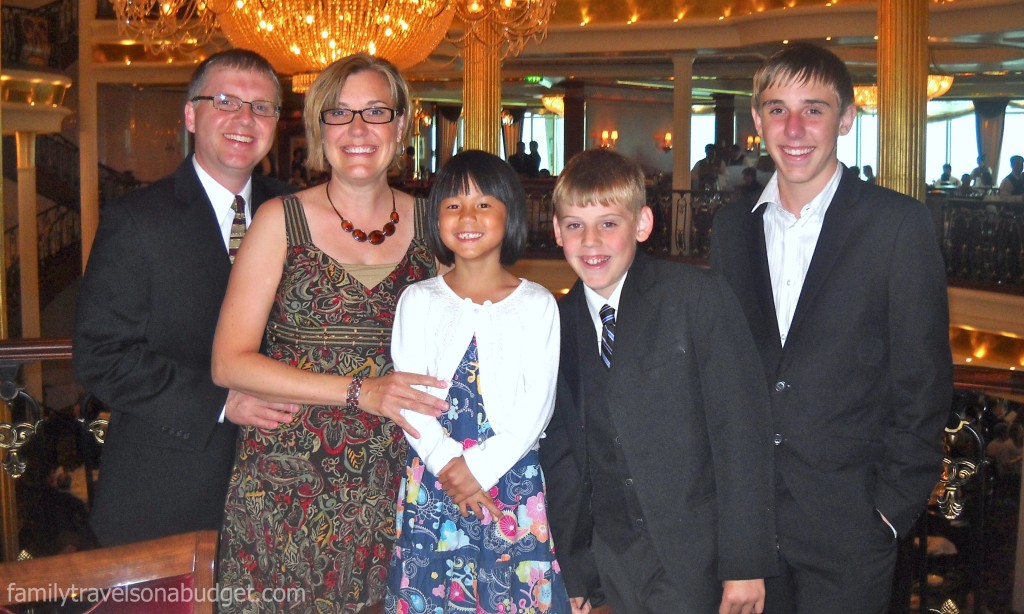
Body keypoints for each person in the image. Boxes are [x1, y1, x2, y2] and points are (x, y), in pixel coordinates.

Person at [710, 43, 953, 613]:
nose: (794, 128)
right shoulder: (730, 229)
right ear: (756, 120)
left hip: (851, 532)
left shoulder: (898, 225)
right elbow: (726, 375)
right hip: (749, 535)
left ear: (845, 117)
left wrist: (887, 514)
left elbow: (924, 383)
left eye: (813, 109)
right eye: (777, 109)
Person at [211, 53, 448, 613]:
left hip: (395, 479)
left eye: (375, 112)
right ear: (320, 127)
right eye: (339, 113)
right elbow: (229, 362)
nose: (359, 130)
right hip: (286, 481)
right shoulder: (278, 220)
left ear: (402, 124)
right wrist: (359, 391)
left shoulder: (436, 226)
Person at [72, 49, 295, 547]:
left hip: (285, 487)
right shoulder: (137, 220)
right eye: (226, 101)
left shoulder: (296, 213)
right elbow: (100, 357)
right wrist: (221, 401)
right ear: (192, 115)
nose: (245, 119)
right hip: (169, 487)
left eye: (262, 107)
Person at [541, 148, 777, 614]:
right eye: (574, 225)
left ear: (642, 224)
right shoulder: (555, 322)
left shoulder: (696, 297)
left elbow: (741, 432)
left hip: (697, 554)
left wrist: (745, 560)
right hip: (612, 556)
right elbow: (565, 455)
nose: (591, 241)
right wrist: (575, 568)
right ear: (556, 232)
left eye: (609, 223)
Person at [384, 150, 570, 613]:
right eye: (452, 205)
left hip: (508, 478)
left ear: (511, 215)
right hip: (435, 476)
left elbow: (537, 407)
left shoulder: (536, 303)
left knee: (507, 591)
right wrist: (449, 464)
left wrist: (479, 470)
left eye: (484, 204)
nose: (467, 216)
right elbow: (407, 400)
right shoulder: (419, 300)